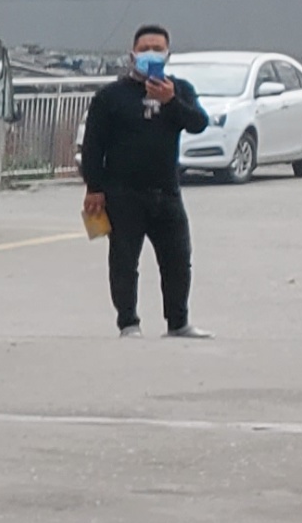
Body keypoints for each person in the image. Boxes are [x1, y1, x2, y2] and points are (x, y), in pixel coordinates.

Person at [76, 24, 207, 336]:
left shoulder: (180, 90)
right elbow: (94, 145)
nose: (151, 54)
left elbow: (198, 123)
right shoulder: (111, 97)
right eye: (145, 48)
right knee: (124, 261)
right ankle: (128, 322)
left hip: (166, 191)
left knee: (177, 260)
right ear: (132, 54)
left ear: (168, 54)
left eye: (158, 49)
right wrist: (94, 187)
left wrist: (171, 100)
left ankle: (178, 323)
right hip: (122, 193)